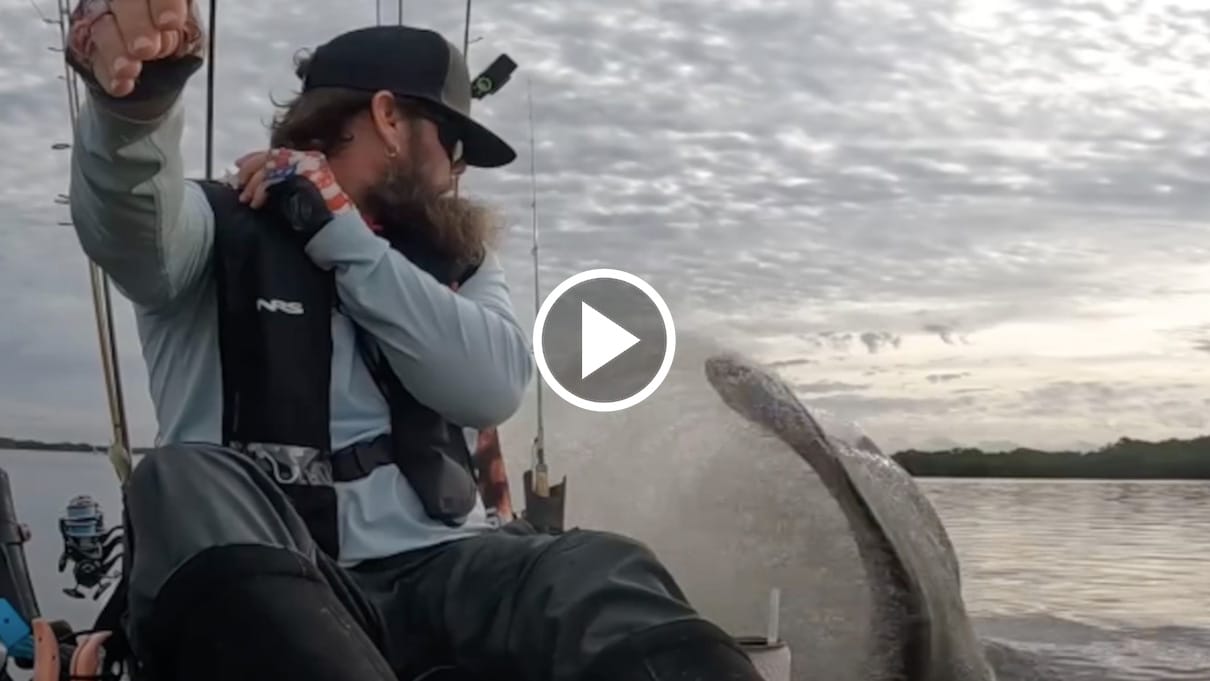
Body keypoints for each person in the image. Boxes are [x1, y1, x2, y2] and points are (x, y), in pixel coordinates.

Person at [61, 2, 767, 681]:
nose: (459, 170)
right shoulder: (210, 228)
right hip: (275, 579)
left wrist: (341, 236)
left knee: (598, 569)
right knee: (182, 481)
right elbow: (129, 220)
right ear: (389, 118)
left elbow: (490, 387)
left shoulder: (459, 262)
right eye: (453, 144)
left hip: (446, 572)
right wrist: (136, 106)